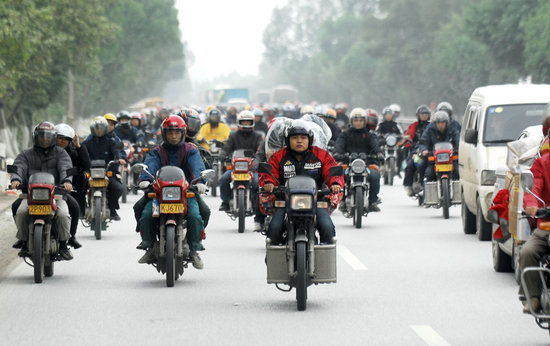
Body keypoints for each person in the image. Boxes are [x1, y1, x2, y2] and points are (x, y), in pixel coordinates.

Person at [136, 115, 207, 269]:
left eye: (176, 133)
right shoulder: (157, 151)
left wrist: (200, 182)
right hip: (160, 194)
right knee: (144, 212)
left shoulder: (191, 150)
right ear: (164, 134)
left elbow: (197, 167)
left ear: (183, 133)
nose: (173, 136)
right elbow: (150, 165)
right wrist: (145, 179)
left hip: (186, 192)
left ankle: (194, 248)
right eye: (170, 133)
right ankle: (148, 244)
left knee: (198, 214)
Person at [259, 123, 344, 245]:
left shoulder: (321, 155)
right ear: (288, 140)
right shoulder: (279, 156)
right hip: (285, 202)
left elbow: (333, 171)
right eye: (294, 138)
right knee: (274, 229)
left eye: (303, 138)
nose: (299, 141)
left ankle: (325, 262)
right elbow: (269, 173)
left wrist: (335, 183)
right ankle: (274, 261)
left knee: (327, 228)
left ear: (310, 140)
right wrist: (268, 183)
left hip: (316, 201)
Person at [10, 122, 74, 260]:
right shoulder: (26, 154)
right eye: (41, 137)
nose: (45, 140)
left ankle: (63, 245)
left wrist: (67, 181)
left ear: (53, 138)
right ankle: (23, 240)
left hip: (56, 194)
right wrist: (16, 179)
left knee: (63, 215)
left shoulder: (61, 153)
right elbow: (18, 167)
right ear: (36, 137)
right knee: (21, 212)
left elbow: (66, 168)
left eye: (48, 137)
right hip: (30, 195)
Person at [518, 109, 550, 313]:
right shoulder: (542, 163)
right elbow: (534, 187)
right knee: (528, 252)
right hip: (547, 225)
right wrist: (532, 204)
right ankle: (533, 297)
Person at [334, 108, 383, 212]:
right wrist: (338, 153)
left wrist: (378, 153)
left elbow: (375, 146)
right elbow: (339, 145)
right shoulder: (345, 134)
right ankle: (342, 201)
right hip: (348, 163)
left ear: (365, 121)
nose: (358, 123)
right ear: (352, 121)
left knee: (375, 176)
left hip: (366, 164)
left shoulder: (369, 135)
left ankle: (373, 201)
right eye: (356, 120)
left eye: (361, 120)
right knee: (339, 175)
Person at [218, 110, 263, 219]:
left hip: (251, 168)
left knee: (257, 182)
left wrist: (257, 160)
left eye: (248, 122)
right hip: (235, 168)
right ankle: (226, 201)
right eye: (244, 122)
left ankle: (257, 203)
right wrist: (223, 155)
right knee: (223, 179)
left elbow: (260, 151)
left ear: (252, 122)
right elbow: (226, 148)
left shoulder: (258, 136)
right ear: (239, 122)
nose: (246, 124)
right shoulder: (233, 136)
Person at [55, 123, 91, 249]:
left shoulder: (73, 153)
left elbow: (85, 165)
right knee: (18, 206)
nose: (62, 142)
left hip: (63, 189)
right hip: (42, 188)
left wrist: (79, 146)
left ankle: (70, 237)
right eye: (60, 138)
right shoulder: (45, 151)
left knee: (74, 208)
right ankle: (24, 238)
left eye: (66, 139)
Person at [82, 116, 125, 220]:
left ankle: (112, 208)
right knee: (79, 186)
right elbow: (81, 152)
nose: (99, 130)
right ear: (93, 129)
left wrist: (118, 159)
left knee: (118, 188)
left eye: (101, 128)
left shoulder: (111, 141)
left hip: (107, 172)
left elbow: (116, 153)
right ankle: (81, 208)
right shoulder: (87, 141)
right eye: (97, 128)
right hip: (91, 172)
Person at [418, 111, 460, 182]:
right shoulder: (429, 130)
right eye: (438, 123)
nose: (440, 125)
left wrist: (458, 149)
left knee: (458, 172)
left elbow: (458, 140)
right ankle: (424, 189)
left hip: (450, 159)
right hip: (433, 160)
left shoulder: (452, 130)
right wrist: (424, 150)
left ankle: (461, 191)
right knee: (427, 172)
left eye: (443, 123)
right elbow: (423, 142)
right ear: (435, 123)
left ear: (446, 123)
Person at [402, 105, 431, 196]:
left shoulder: (431, 126)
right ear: (418, 115)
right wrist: (407, 142)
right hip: (416, 149)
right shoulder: (413, 126)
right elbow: (408, 137)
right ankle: (409, 185)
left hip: (428, 149)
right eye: (422, 114)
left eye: (426, 114)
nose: (424, 116)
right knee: (410, 165)